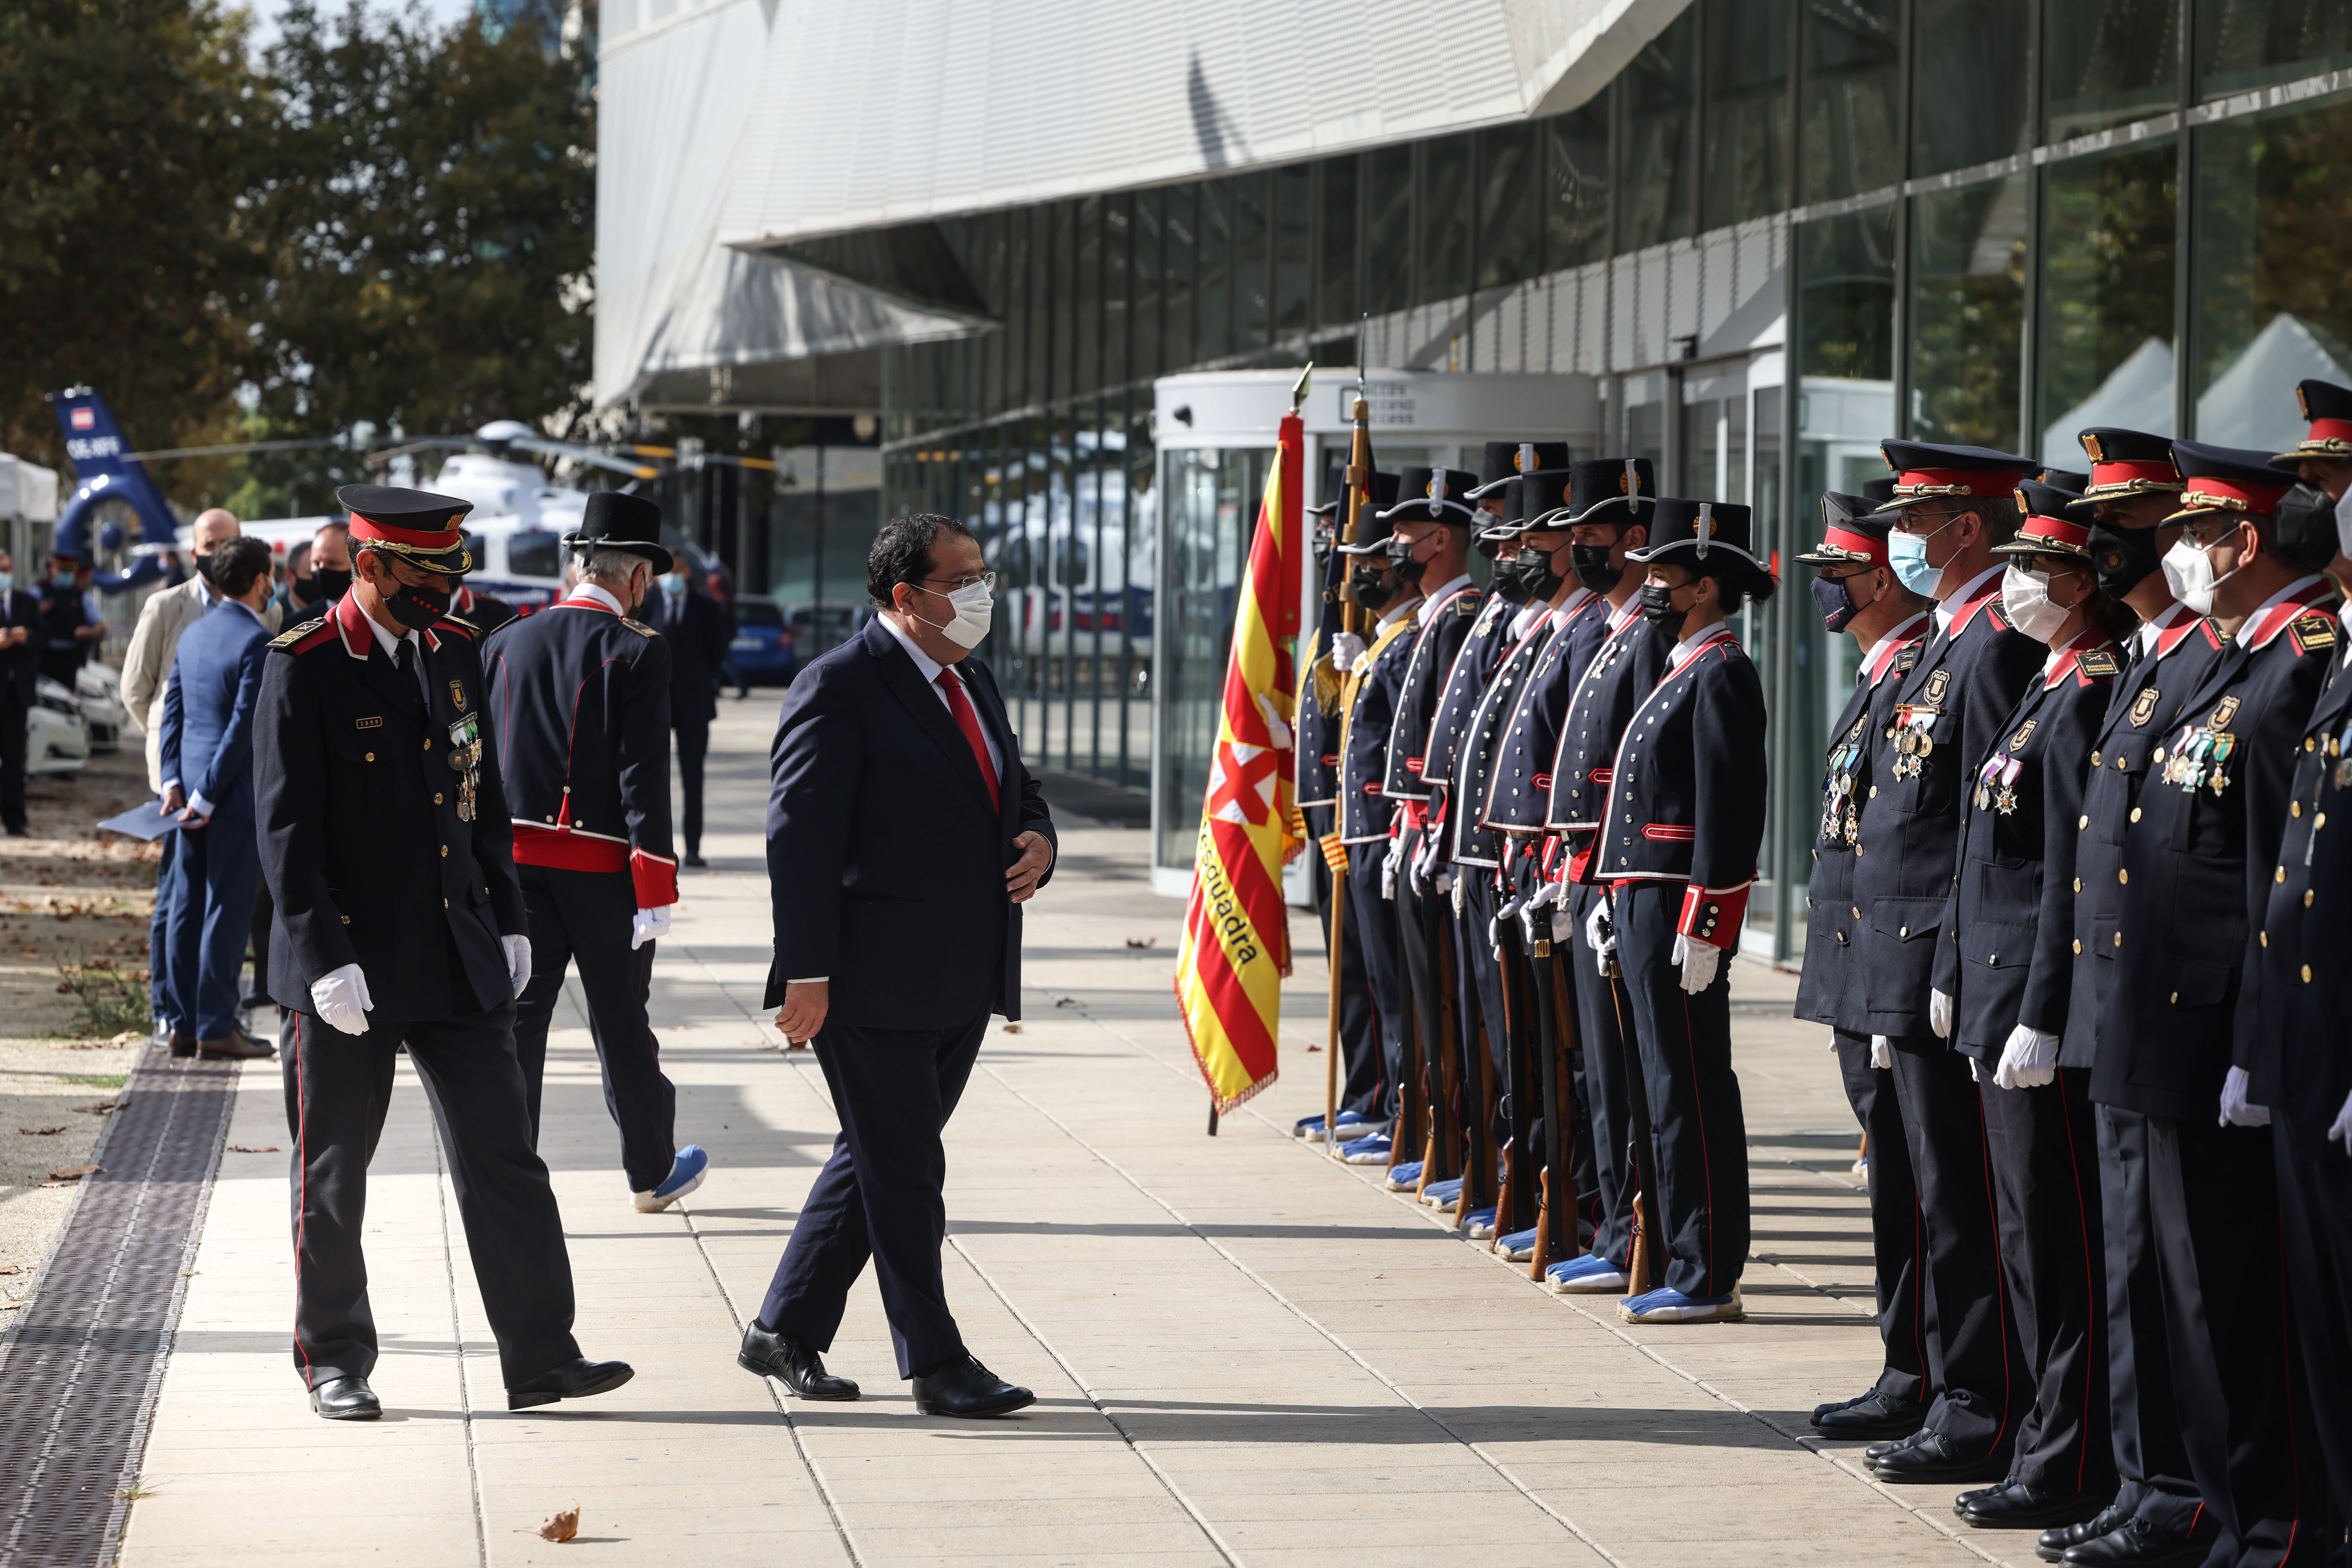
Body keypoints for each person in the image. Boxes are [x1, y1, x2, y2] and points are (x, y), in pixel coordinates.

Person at [255, 482, 631, 1421]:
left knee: (506, 1156)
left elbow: (481, 796)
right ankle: (334, 1358)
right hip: (348, 968)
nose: (444, 595)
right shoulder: (304, 662)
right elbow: (283, 834)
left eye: (450, 577)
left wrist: (507, 913)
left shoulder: (453, 649)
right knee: (333, 1175)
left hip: (457, 953)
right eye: (424, 577)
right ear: (369, 565)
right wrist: (319, 956)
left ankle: (541, 1353)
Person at [2087, 442, 2333, 1568]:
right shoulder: (2235, 658)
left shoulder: (2293, 663)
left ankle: (2267, 1523)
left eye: (2190, 534)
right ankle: (2225, 1516)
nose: (2170, 553)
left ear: (2240, 543)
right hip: (2165, 1016)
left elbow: (2279, 876)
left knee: (2230, 1298)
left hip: (2224, 1027)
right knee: (2181, 1291)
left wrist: (2251, 1040)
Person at [750, 512, 1055, 1418]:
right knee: (908, 1170)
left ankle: (784, 1327)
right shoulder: (839, 685)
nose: (980, 594)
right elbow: (797, 841)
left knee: (878, 1158)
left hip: (964, 971)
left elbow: (1015, 783)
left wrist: (1039, 836)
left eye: (982, 574)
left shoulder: (972, 677)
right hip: (870, 979)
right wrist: (805, 972)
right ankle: (935, 1360)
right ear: (903, 596)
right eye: (960, 581)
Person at [1930, 482, 2125, 1532]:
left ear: (2084, 582)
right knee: (2019, 1235)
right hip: (1995, 999)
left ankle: (2068, 1455)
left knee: (2055, 1240)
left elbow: (2064, 876)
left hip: (2034, 1016)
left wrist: (2040, 1010)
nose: (2014, 587)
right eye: (2009, 566)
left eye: (2034, 569)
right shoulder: (2046, 682)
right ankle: (2045, 1442)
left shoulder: (2089, 687)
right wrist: (1959, 971)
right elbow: (1985, 852)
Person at [2043, 428, 2221, 1568]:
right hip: (2122, 1003)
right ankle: (2147, 1477)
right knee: (2129, 1263)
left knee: (2191, 1277)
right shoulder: (2152, 662)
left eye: (2128, 526)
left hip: (2188, 1013)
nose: (2103, 545)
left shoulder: (2226, 661)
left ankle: (2190, 1491)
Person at [1851, 441, 2042, 1486]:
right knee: (1935, 1192)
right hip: (1912, 954)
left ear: (1963, 530)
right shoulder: (1947, 640)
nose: (1899, 542)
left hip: (1949, 959)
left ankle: (1980, 1401)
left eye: (1914, 522)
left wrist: (1950, 960)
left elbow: (1986, 829)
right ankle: (1945, 1385)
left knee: (1965, 1200)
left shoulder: (1991, 646)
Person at [1577, 496, 1769, 1326]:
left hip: (1677, 907)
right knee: (1658, 1082)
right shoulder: (1683, 664)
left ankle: (1708, 1267)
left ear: (1702, 587)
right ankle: (1676, 1250)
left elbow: (1729, 812)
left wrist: (1709, 922)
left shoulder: (1723, 669)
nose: (1647, 582)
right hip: (1642, 896)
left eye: (1663, 573)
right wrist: (1607, 884)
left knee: (1690, 1086)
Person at [484, 492, 702, 1214]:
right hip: (603, 874)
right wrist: (657, 883)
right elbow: (644, 777)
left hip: (514, 869)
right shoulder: (639, 650)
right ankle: (650, 1170)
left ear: (582, 563)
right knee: (620, 1023)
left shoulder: (505, 642)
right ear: (637, 577)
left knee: (520, 1023)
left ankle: (508, 1182)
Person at [1794, 487, 1936, 1438]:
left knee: (1922, 1187)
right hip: (1860, 965)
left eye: (1836, 574)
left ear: (1880, 579)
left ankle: (1924, 1371)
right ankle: (1904, 1365)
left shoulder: (1920, 666)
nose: (1827, 592)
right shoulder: (1880, 670)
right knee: (1892, 1178)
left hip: (1896, 964)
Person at [2254, 387, 2352, 1562]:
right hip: (2311, 1037)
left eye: (2335, 489)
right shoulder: (2337, 656)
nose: (2324, 509)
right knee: (2322, 1313)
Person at [1540, 460, 1669, 1295]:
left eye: (1592, 535)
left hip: (1627, 878)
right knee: (1593, 1068)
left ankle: (1632, 1231)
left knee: (1626, 1074)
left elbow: (1647, 777)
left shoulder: (1646, 635)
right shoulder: (1614, 629)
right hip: (1590, 871)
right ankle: (1611, 1224)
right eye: (1573, 535)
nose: (1575, 549)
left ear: (1633, 538)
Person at [123, 510, 281, 1042]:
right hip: (226, 798)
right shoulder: (255, 640)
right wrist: (209, 795)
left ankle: (184, 1024)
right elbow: (242, 730)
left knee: (186, 909)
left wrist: (172, 783)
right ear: (259, 581)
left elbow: (171, 715)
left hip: (183, 794)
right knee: (226, 913)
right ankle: (216, 1025)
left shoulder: (194, 635)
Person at [1290, 473, 1394, 1148]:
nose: (1330, 538)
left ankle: (1379, 1095)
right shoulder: (1331, 625)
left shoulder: (1370, 630)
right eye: (1325, 526)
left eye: (1341, 527)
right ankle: (1362, 1089)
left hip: (1362, 817)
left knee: (1370, 969)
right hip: (1332, 813)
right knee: (1345, 964)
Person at [1324, 483, 1426, 1161]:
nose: (1359, 571)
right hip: (1357, 831)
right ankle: (1378, 1100)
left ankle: (1400, 1108)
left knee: (1397, 988)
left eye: (1371, 558)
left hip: (1387, 832)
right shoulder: (1376, 643)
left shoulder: (1411, 637)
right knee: (1370, 979)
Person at [646, 562, 728, 867]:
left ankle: (693, 848)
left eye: (678, 571)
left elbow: (716, 652)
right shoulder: (648, 604)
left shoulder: (706, 608)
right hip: (655, 704)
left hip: (695, 705)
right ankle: (657, 848)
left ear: (687, 574)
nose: (672, 578)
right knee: (652, 778)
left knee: (693, 780)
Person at [0, 550, 37, 837]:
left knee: (14, 761)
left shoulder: (26, 602)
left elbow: (44, 637)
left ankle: (15, 820)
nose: (5, 574)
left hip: (16, 695)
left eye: (7, 568)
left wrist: (27, 637)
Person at [36, 552, 105, 686]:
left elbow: (101, 626)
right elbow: (21, 618)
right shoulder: (39, 592)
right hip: (43, 658)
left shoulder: (80, 596)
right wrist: (37, 611)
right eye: (63, 571)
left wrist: (89, 632)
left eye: (70, 572)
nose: (67, 575)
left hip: (70, 660)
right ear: (52, 570)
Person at [273, 520, 350, 623]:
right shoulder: (294, 625)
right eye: (316, 564)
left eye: (332, 563)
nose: (322, 571)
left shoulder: (375, 615)